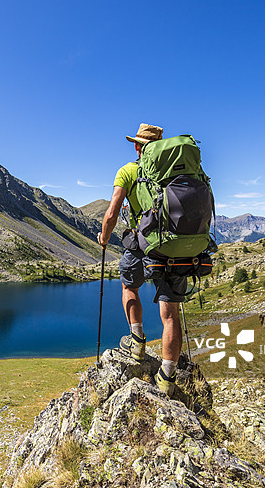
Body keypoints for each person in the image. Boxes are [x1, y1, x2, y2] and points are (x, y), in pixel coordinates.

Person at [96, 123, 185, 398]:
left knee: (129, 286)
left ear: (137, 146)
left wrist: (104, 236)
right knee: (170, 313)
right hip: (175, 247)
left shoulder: (128, 171)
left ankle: (137, 342)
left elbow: (112, 212)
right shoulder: (175, 172)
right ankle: (167, 377)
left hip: (141, 245)